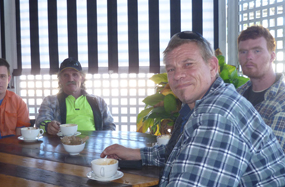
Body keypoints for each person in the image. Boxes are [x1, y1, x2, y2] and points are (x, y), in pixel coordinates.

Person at [101, 31, 285, 186]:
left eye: (188, 64)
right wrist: (136, 153)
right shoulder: (204, 102)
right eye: (171, 69)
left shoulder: (217, 114)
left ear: (212, 66)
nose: (178, 75)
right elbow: (187, 152)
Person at [236, 25, 285, 151]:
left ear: (272, 56)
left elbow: (270, 157)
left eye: (257, 50)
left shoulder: (281, 102)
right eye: (243, 51)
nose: (249, 57)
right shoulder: (236, 95)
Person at [36, 57, 115, 135]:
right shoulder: (50, 101)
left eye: (75, 75)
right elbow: (40, 123)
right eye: (66, 75)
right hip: (63, 145)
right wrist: (48, 126)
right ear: (60, 79)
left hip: (95, 146)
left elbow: (110, 125)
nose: (70, 79)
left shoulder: (98, 101)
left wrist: (104, 142)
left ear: (82, 78)